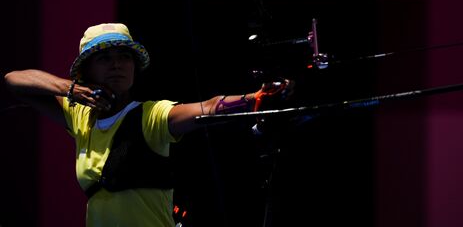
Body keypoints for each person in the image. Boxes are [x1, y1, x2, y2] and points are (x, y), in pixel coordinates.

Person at [4, 22, 291, 227]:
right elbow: (14, 81)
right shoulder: (79, 115)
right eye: (105, 57)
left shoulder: (150, 116)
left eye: (124, 57)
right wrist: (70, 89)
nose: (117, 64)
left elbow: (207, 107)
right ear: (87, 70)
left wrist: (253, 98)